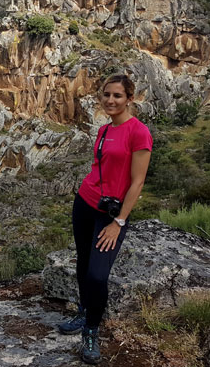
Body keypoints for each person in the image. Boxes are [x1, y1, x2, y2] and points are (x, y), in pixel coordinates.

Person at [57, 74, 153, 365]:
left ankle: (91, 332)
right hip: (85, 202)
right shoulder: (103, 130)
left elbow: (137, 183)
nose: (110, 101)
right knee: (84, 263)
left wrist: (119, 222)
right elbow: (99, 167)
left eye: (117, 96)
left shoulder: (139, 133)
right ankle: (84, 311)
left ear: (130, 99)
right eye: (106, 95)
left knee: (98, 274)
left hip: (111, 214)